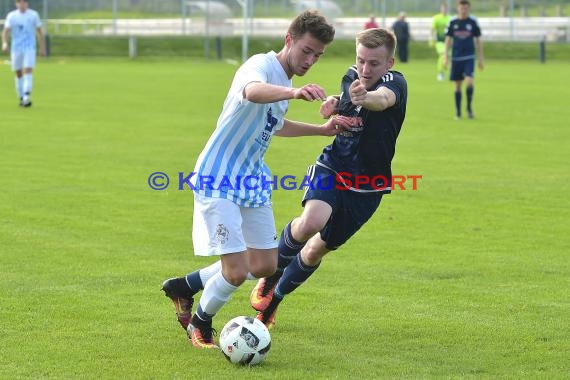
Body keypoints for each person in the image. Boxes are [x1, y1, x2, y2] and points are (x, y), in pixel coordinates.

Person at [161, 10, 353, 349]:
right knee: (235, 271)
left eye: (318, 56)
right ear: (289, 39)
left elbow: (274, 124)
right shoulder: (260, 67)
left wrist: (320, 130)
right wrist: (292, 95)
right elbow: (251, 92)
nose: (310, 60)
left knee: (266, 264)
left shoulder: (284, 81)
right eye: (306, 50)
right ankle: (200, 324)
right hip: (219, 176)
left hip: (252, 179)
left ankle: (185, 286)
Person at [249, 27, 408, 329]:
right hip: (334, 165)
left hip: (369, 186)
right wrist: (333, 103)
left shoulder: (395, 83)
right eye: (361, 60)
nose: (365, 68)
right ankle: (272, 274)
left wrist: (366, 96)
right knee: (312, 221)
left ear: (389, 63)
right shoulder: (351, 76)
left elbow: (383, 100)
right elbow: (347, 103)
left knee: (316, 249)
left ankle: (275, 303)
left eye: (374, 63)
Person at [443, 0, 484, 119]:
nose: (464, 10)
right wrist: (445, 56)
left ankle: (469, 108)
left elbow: (478, 40)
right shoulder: (453, 22)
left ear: (469, 9)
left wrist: (481, 57)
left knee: (470, 81)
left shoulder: (473, 22)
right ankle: (458, 111)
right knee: (457, 86)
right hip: (456, 58)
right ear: (458, 9)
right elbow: (448, 40)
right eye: (462, 8)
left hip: (469, 57)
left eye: (466, 8)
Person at [2, 0, 45, 107]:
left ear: (27, 3)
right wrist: (5, 43)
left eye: (24, 2)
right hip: (16, 48)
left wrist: (42, 47)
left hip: (29, 47)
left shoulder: (33, 15)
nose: (22, 4)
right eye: (20, 2)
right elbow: (6, 31)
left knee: (28, 70)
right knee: (18, 73)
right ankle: (21, 97)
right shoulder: (12, 16)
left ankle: (26, 96)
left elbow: (40, 31)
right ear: (16, 4)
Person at [430, 3, 452, 81]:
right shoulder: (437, 18)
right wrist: (431, 39)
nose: (444, 10)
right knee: (443, 54)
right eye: (443, 8)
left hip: (449, 42)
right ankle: (440, 73)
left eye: (445, 9)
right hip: (440, 41)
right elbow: (432, 29)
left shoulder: (450, 18)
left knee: (448, 57)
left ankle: (449, 71)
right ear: (440, 9)